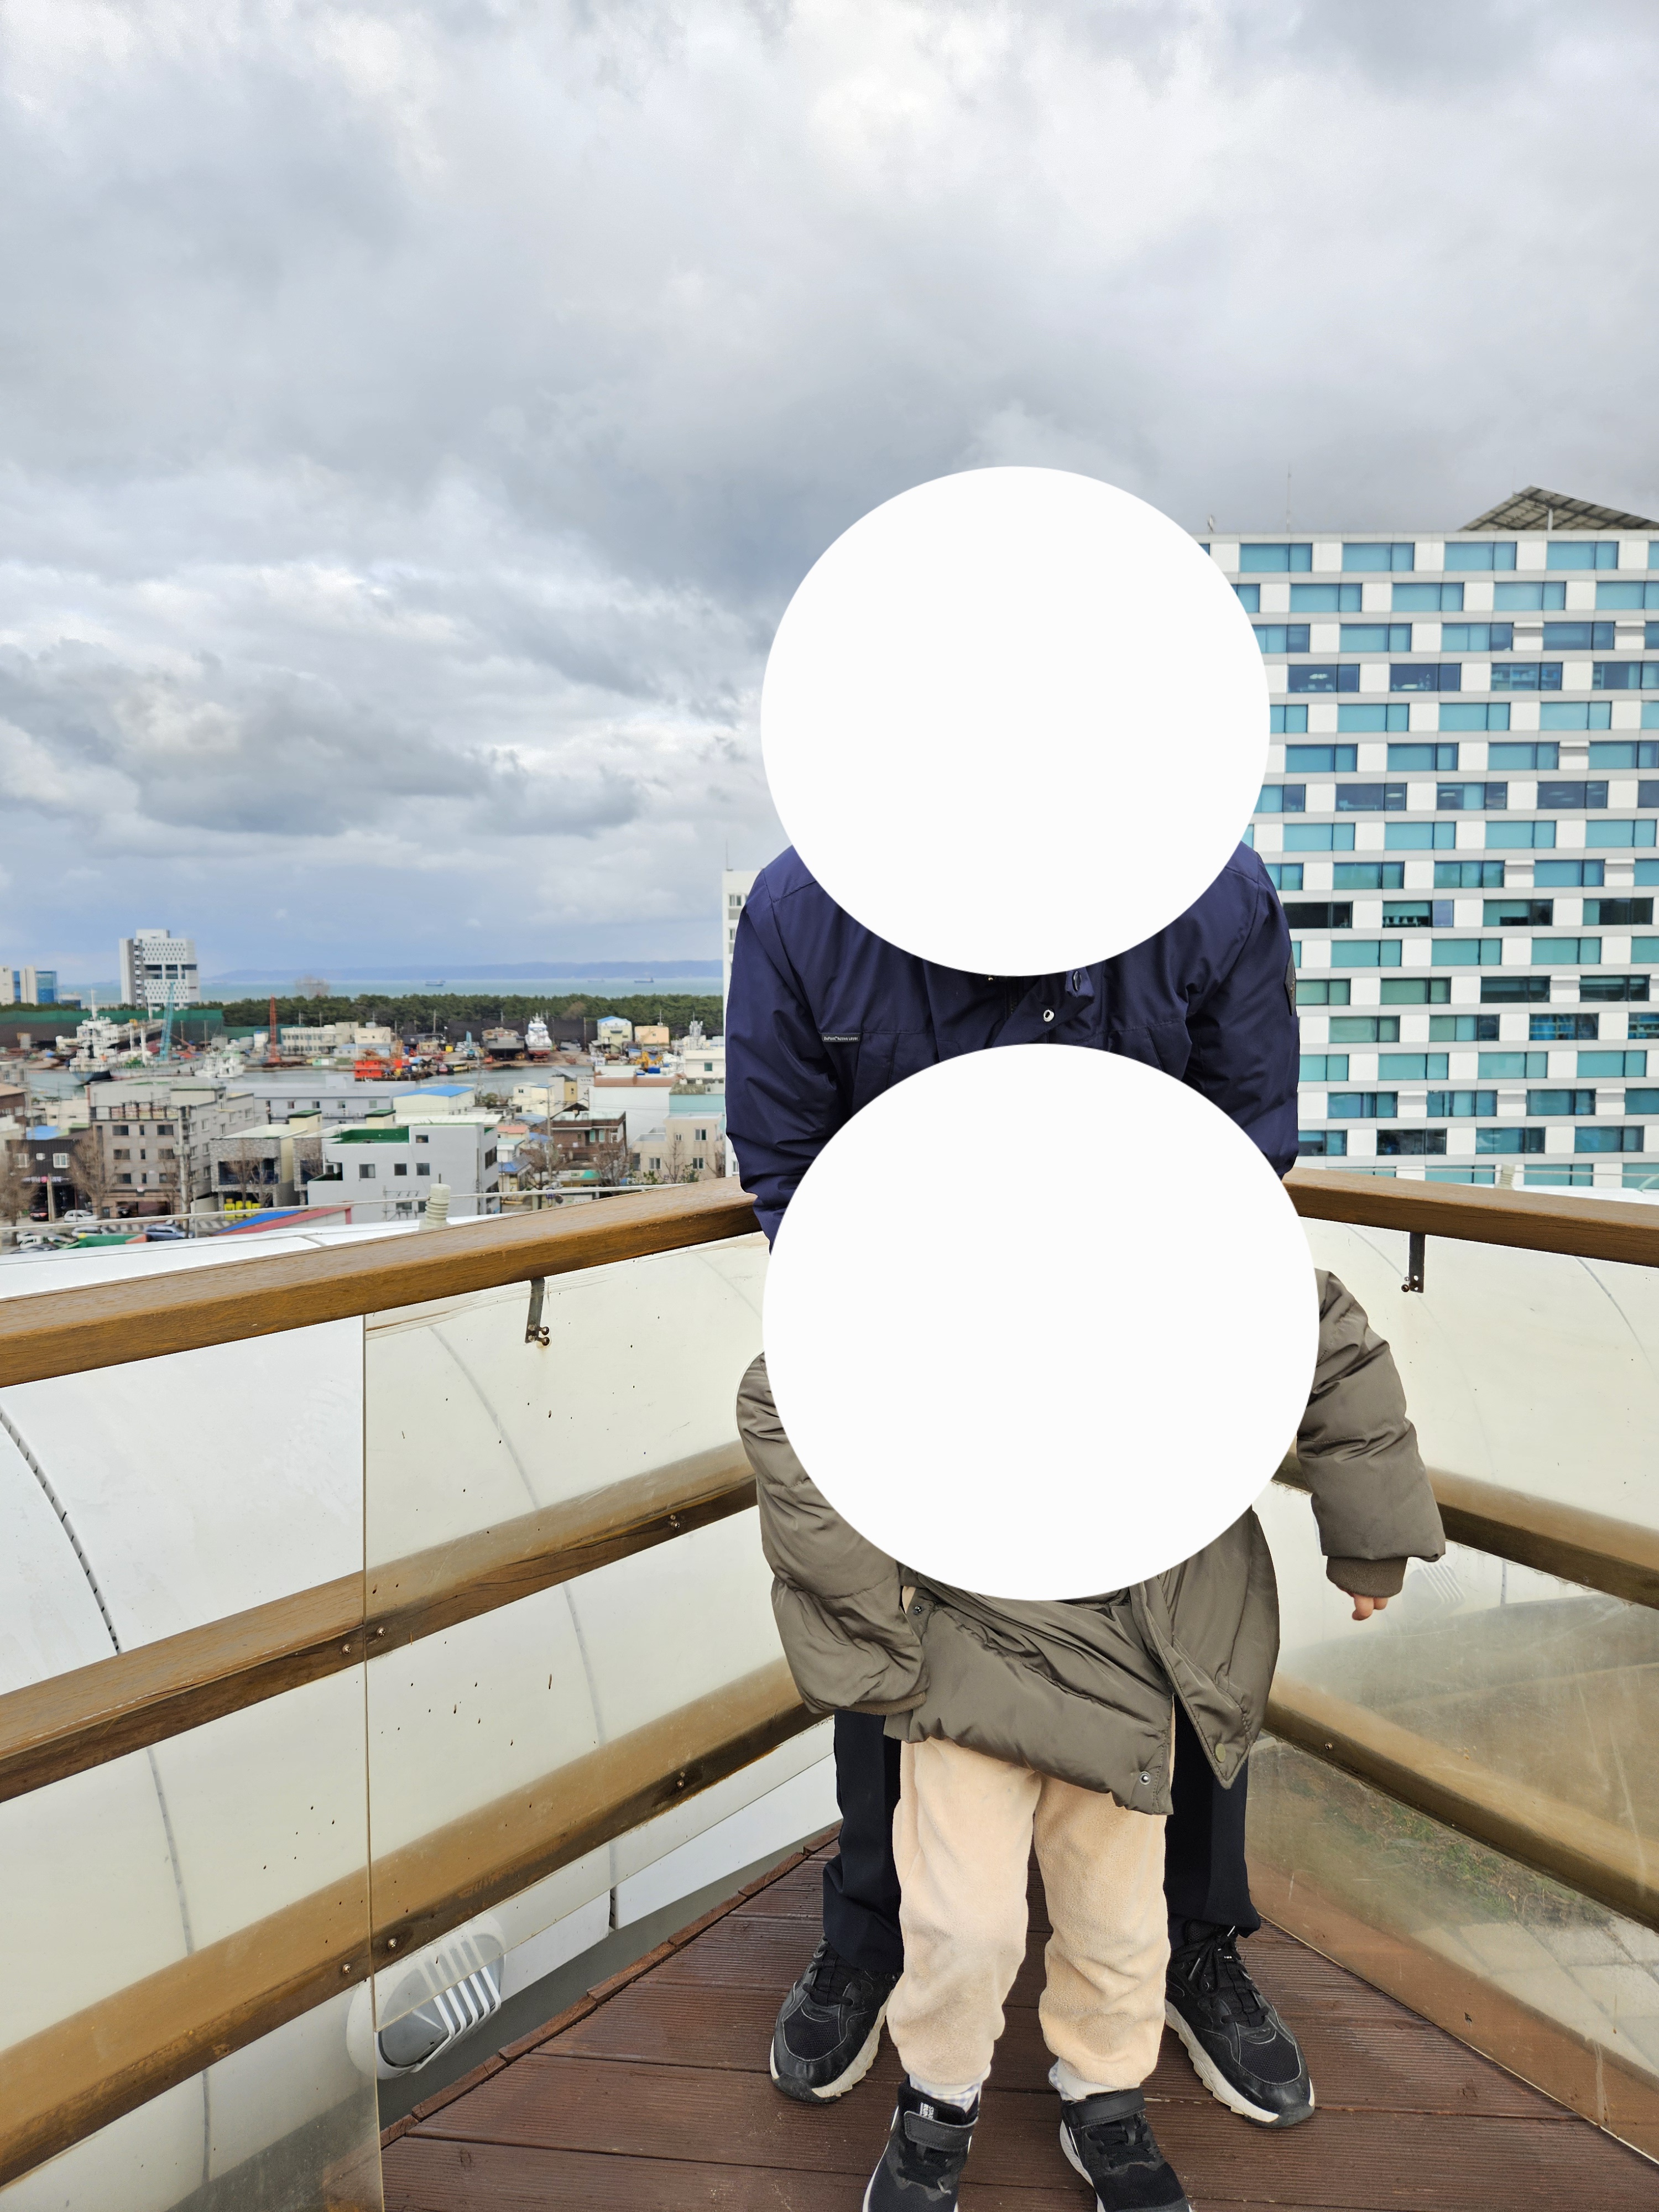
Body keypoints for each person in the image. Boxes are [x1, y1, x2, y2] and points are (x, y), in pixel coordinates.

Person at [725, 837, 1336, 2131]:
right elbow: (786, 1155)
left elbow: (1245, 1142)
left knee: (1179, 1636)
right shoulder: (805, 900)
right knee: (891, 1638)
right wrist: (912, 1320)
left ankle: (1196, 1940)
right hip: (913, 1352)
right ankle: (872, 1933)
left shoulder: (1213, 886)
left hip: (1138, 1351)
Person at [738, 1269, 1444, 2210]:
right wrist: (874, 1623)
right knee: (962, 1920)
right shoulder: (927, 1247)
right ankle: (938, 2101)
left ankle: (1103, 2094)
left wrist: (1371, 1535)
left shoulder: (1169, 1230)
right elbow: (792, 1383)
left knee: (1119, 1916)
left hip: (1127, 1637)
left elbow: (1313, 1320)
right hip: (967, 1634)